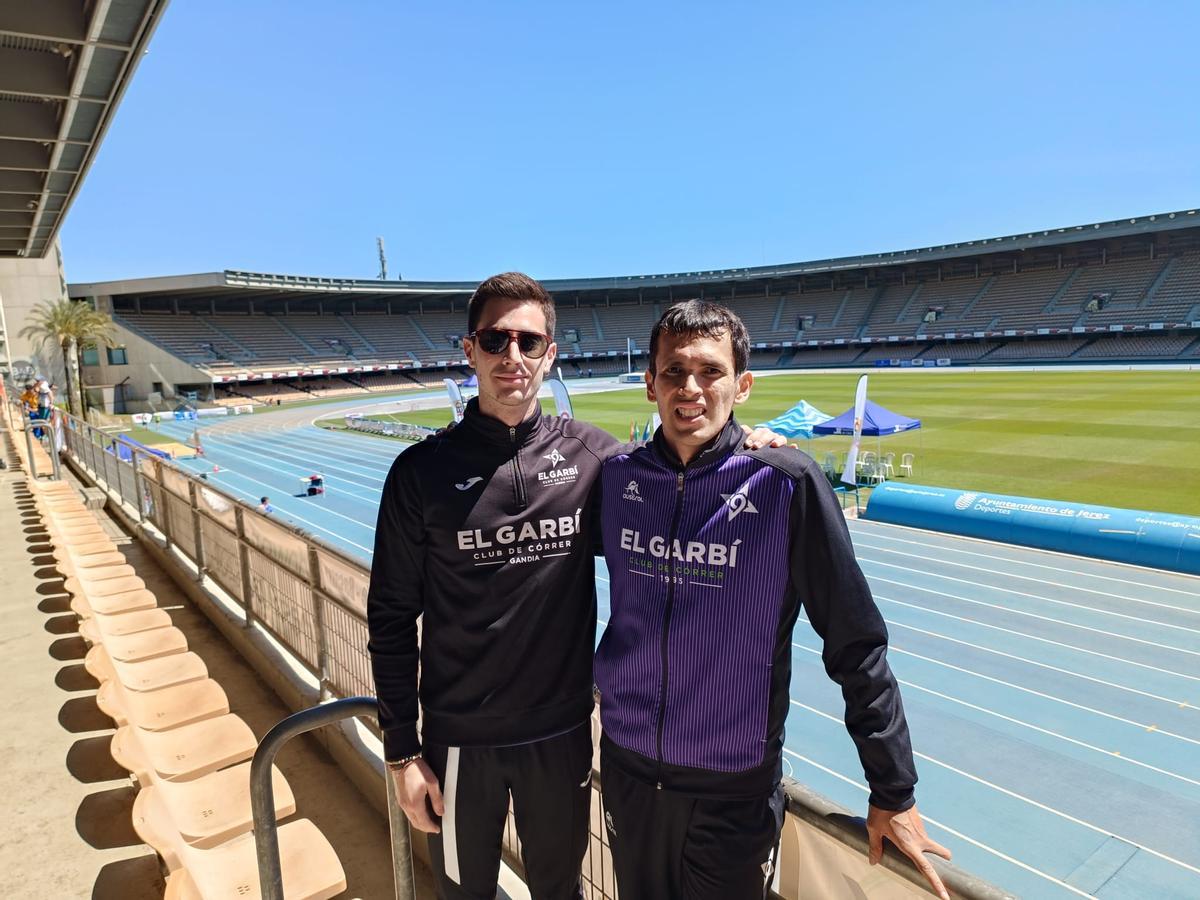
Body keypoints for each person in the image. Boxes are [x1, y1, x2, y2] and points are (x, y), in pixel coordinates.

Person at [367, 273, 785, 900]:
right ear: (469, 350)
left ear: (551, 354)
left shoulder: (598, 461)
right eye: (496, 339)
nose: (513, 357)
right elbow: (392, 618)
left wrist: (746, 450)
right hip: (458, 746)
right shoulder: (418, 474)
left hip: (560, 739)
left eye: (530, 342)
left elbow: (681, 496)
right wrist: (401, 752)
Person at [594, 300, 951, 900]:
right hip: (629, 772)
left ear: (743, 384)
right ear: (650, 383)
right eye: (675, 372)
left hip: (733, 791)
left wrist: (894, 791)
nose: (692, 389)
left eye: (711, 371)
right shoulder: (615, 480)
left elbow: (854, 641)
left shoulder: (786, 483)